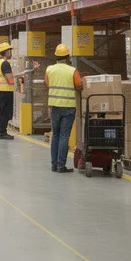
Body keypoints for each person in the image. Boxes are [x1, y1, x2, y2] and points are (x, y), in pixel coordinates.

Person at [44, 44, 82, 173]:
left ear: (56, 56)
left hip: (54, 106)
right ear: (67, 57)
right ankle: (61, 165)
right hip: (68, 107)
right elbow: (79, 86)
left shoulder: (49, 70)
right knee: (64, 136)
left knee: (55, 135)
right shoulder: (73, 71)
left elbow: (48, 83)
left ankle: (54, 165)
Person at [0, 42, 39, 140]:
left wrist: (26, 71)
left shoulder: (1, 62)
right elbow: (10, 80)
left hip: (2, 91)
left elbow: (9, 76)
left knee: (3, 112)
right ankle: (2, 133)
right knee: (5, 113)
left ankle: (2, 132)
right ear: (5, 52)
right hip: (5, 91)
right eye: (9, 51)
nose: (10, 53)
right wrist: (17, 81)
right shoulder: (5, 63)